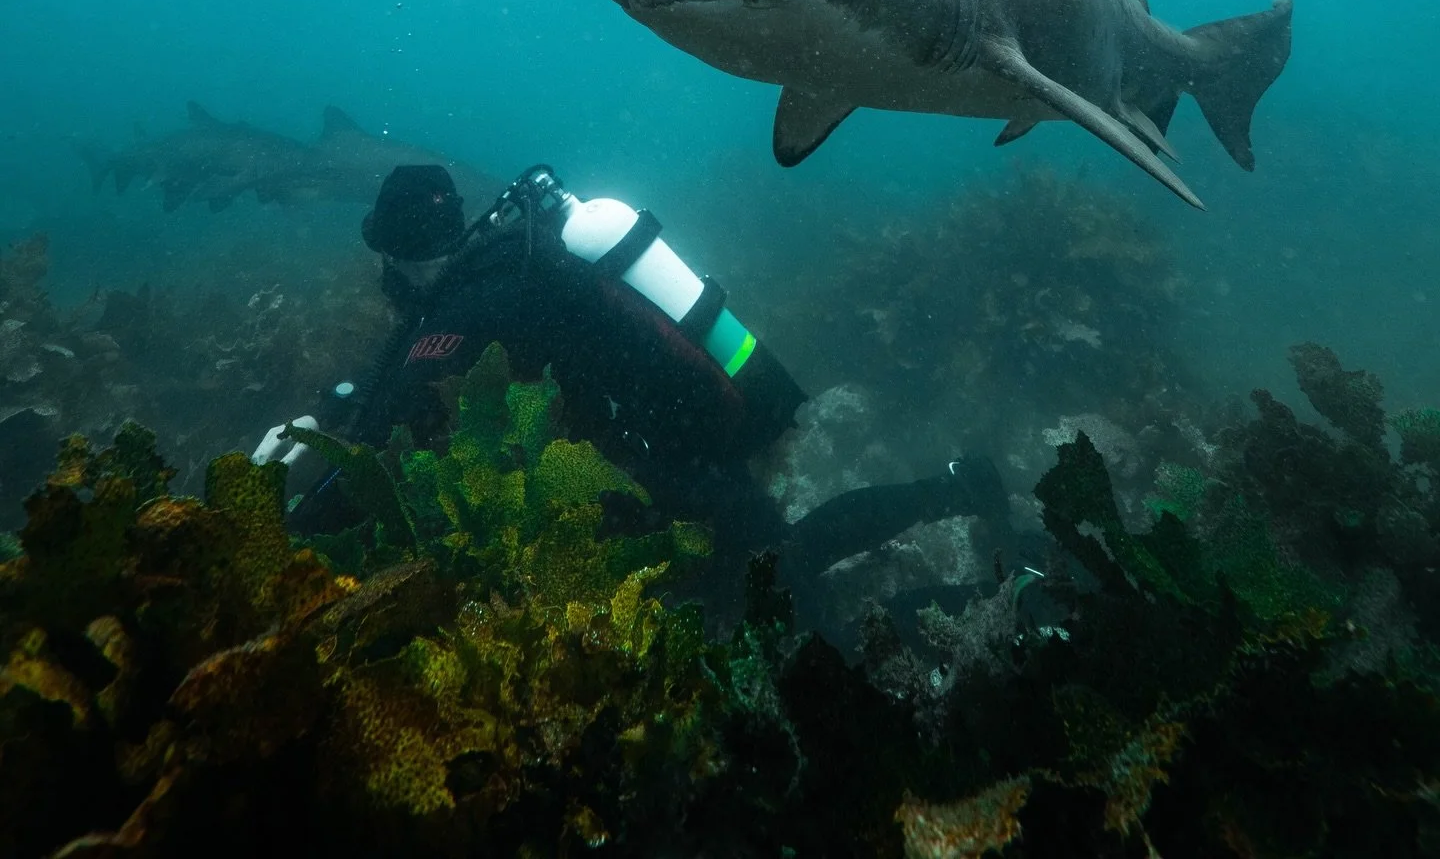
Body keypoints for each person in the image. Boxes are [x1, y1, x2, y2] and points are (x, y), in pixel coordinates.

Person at [261, 162, 1011, 630]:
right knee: (781, 555)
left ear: (402, 250)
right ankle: (958, 488)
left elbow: (386, 443)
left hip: (674, 482)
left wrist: (283, 528)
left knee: (801, 614)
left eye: (384, 255)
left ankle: (998, 600)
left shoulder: (466, 308)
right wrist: (337, 403)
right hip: (684, 448)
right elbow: (404, 385)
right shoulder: (506, 264)